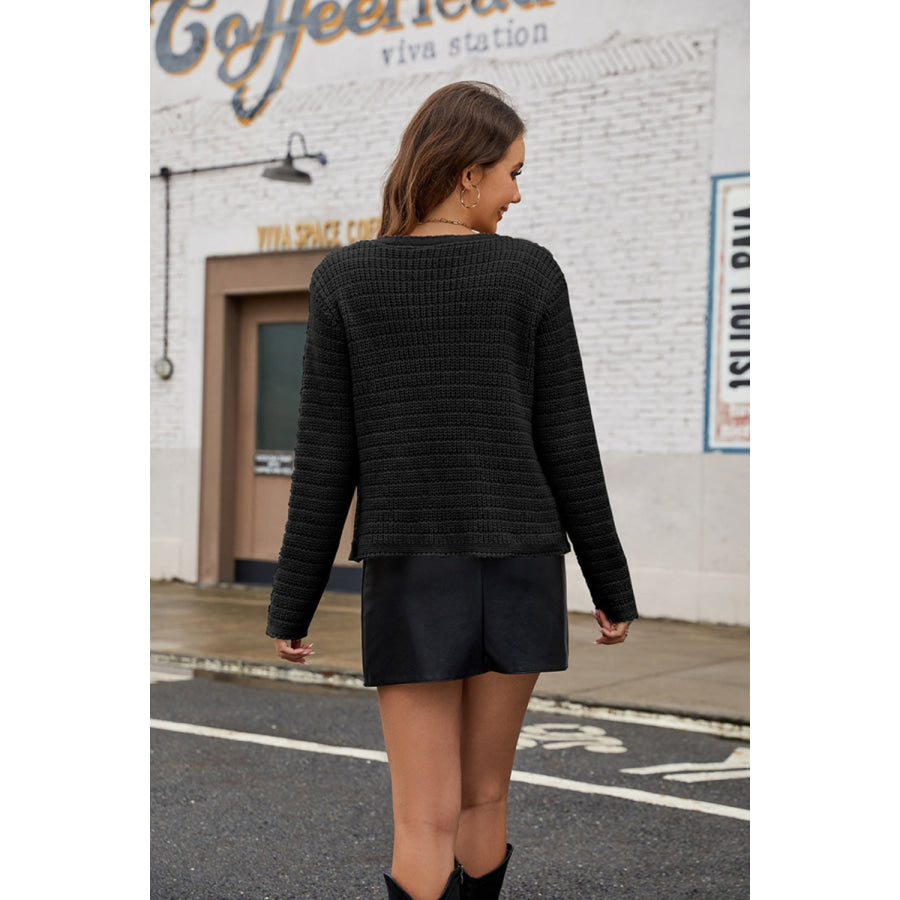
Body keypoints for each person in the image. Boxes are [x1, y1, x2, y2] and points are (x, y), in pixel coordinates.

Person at [266, 81, 638, 900]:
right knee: (485, 795)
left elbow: (326, 460)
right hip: (522, 564)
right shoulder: (530, 273)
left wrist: (292, 604)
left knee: (422, 817)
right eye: (512, 172)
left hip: (413, 568)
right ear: (469, 173)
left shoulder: (345, 279)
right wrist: (611, 587)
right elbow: (568, 444)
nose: (517, 193)